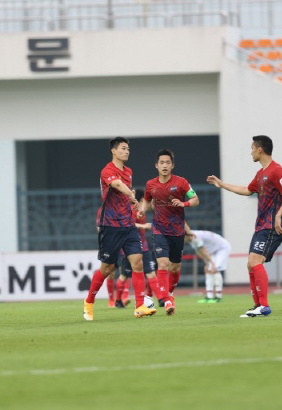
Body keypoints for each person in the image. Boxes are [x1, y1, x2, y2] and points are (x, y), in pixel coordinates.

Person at [207, 135, 282, 318]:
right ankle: (257, 305)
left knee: (255, 262)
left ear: (260, 149)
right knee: (250, 264)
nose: (251, 152)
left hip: (272, 226)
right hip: (261, 226)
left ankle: (264, 306)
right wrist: (222, 184)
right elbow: (247, 190)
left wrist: (279, 216)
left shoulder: (276, 170)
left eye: (252, 148)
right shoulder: (261, 174)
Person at [83, 137, 156, 321]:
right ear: (114, 151)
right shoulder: (107, 170)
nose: (127, 151)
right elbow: (116, 185)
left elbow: (124, 198)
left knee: (137, 262)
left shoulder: (129, 171)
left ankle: (140, 305)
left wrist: (135, 210)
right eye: (123, 148)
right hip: (110, 226)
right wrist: (131, 194)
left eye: (128, 149)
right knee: (107, 268)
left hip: (128, 225)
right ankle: (89, 302)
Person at [138, 148, 199, 316]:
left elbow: (195, 199)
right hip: (159, 229)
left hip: (177, 231)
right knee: (163, 264)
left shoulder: (181, 183)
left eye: (168, 163)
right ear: (156, 166)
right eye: (161, 163)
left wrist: (183, 204)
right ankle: (166, 301)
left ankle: (170, 293)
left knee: (175, 266)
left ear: (172, 165)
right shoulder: (151, 184)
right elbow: (146, 201)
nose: (164, 165)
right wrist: (142, 210)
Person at [115, 190, 162, 308]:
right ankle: (118, 300)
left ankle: (161, 299)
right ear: (141, 200)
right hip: (130, 247)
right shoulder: (131, 209)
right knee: (124, 275)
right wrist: (143, 226)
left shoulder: (142, 211)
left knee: (150, 272)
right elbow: (127, 224)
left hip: (143, 246)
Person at [184, 224, 232, 303]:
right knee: (208, 270)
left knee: (214, 269)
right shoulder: (191, 239)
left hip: (222, 248)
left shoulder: (195, 237)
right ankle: (209, 296)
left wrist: (212, 263)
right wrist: (206, 263)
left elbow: (203, 250)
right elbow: (198, 251)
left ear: (186, 235)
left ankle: (218, 296)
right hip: (213, 250)